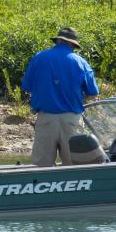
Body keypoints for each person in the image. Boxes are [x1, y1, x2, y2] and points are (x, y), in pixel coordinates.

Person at [20, 27, 100, 167]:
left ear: (57, 40)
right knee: (74, 165)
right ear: (73, 44)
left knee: (41, 167)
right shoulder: (81, 63)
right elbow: (93, 93)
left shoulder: (39, 58)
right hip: (71, 119)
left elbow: (26, 86)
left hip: (45, 119)